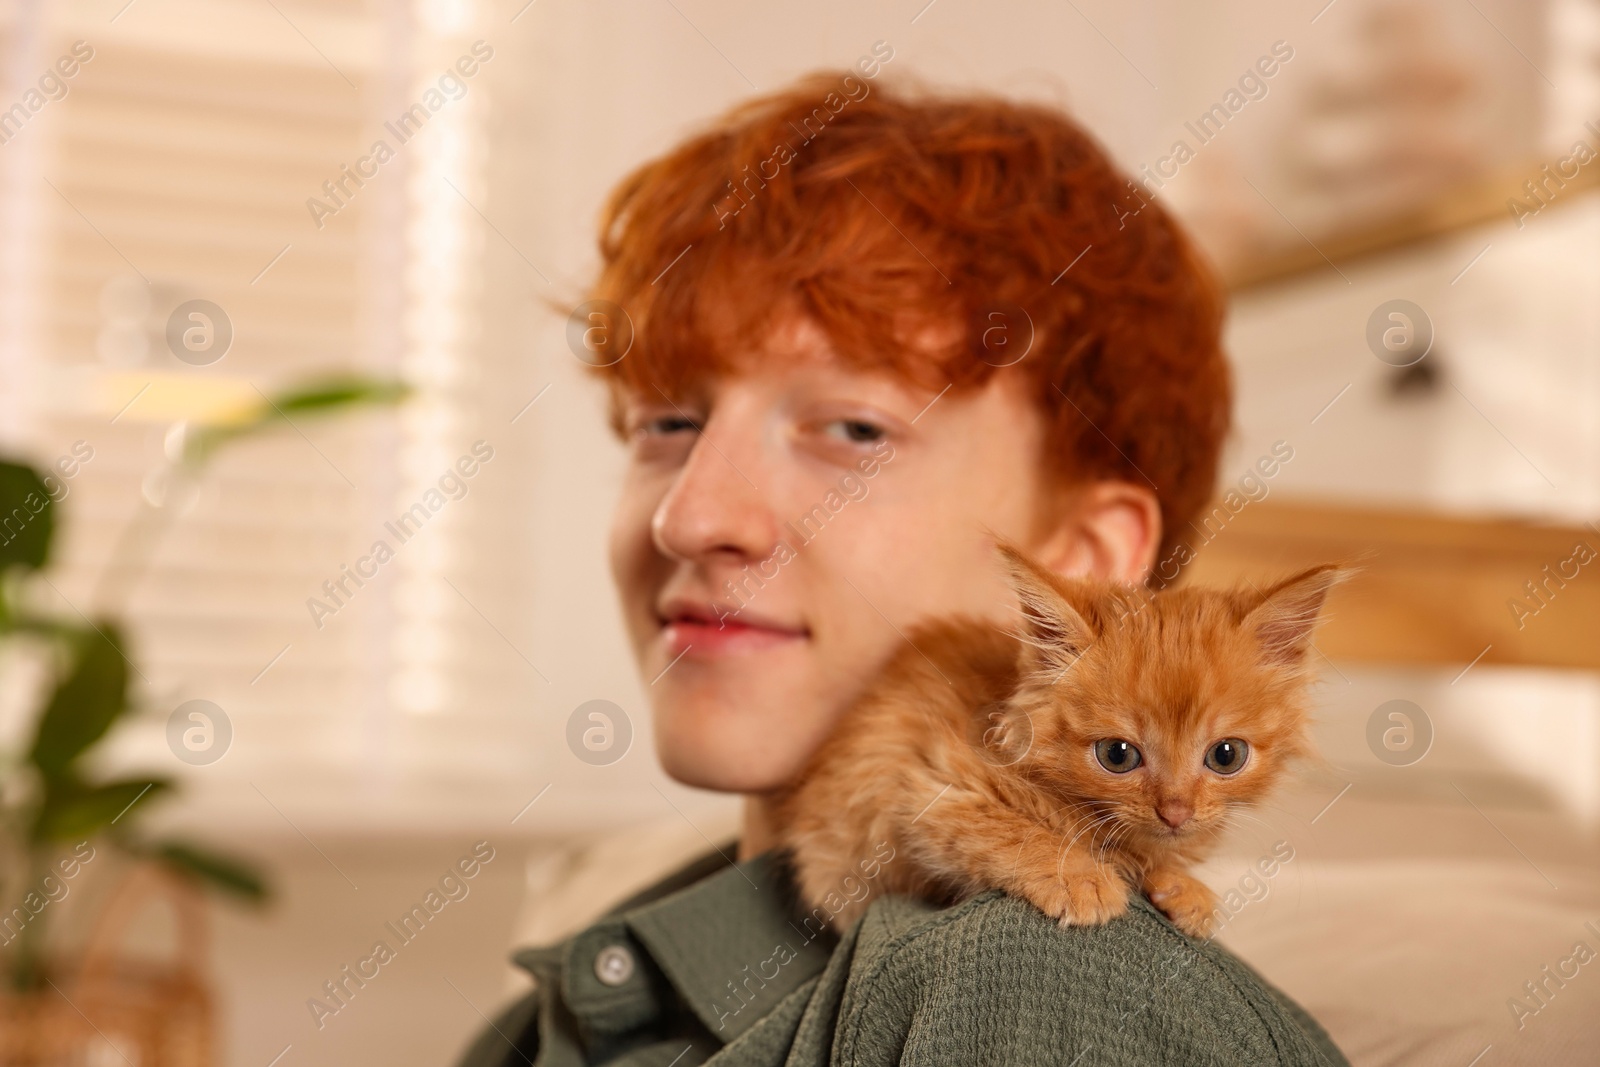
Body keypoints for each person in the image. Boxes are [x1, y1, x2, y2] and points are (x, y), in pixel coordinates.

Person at [457, 68, 1350, 1067]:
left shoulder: (1040, 974)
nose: (689, 514)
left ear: (1088, 566)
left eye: (851, 427)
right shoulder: (607, 965)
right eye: (666, 421)